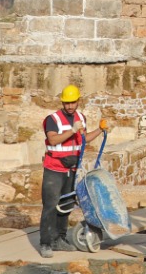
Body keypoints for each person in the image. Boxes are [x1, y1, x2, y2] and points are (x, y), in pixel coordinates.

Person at [40, 84, 106, 259]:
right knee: (50, 206)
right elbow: (53, 140)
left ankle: (59, 239)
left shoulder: (80, 118)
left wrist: (100, 129)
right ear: (62, 102)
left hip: (72, 169)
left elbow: (83, 140)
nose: (70, 106)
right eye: (66, 103)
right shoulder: (52, 119)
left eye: (73, 103)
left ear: (78, 101)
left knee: (66, 206)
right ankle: (46, 243)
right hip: (54, 168)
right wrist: (72, 130)